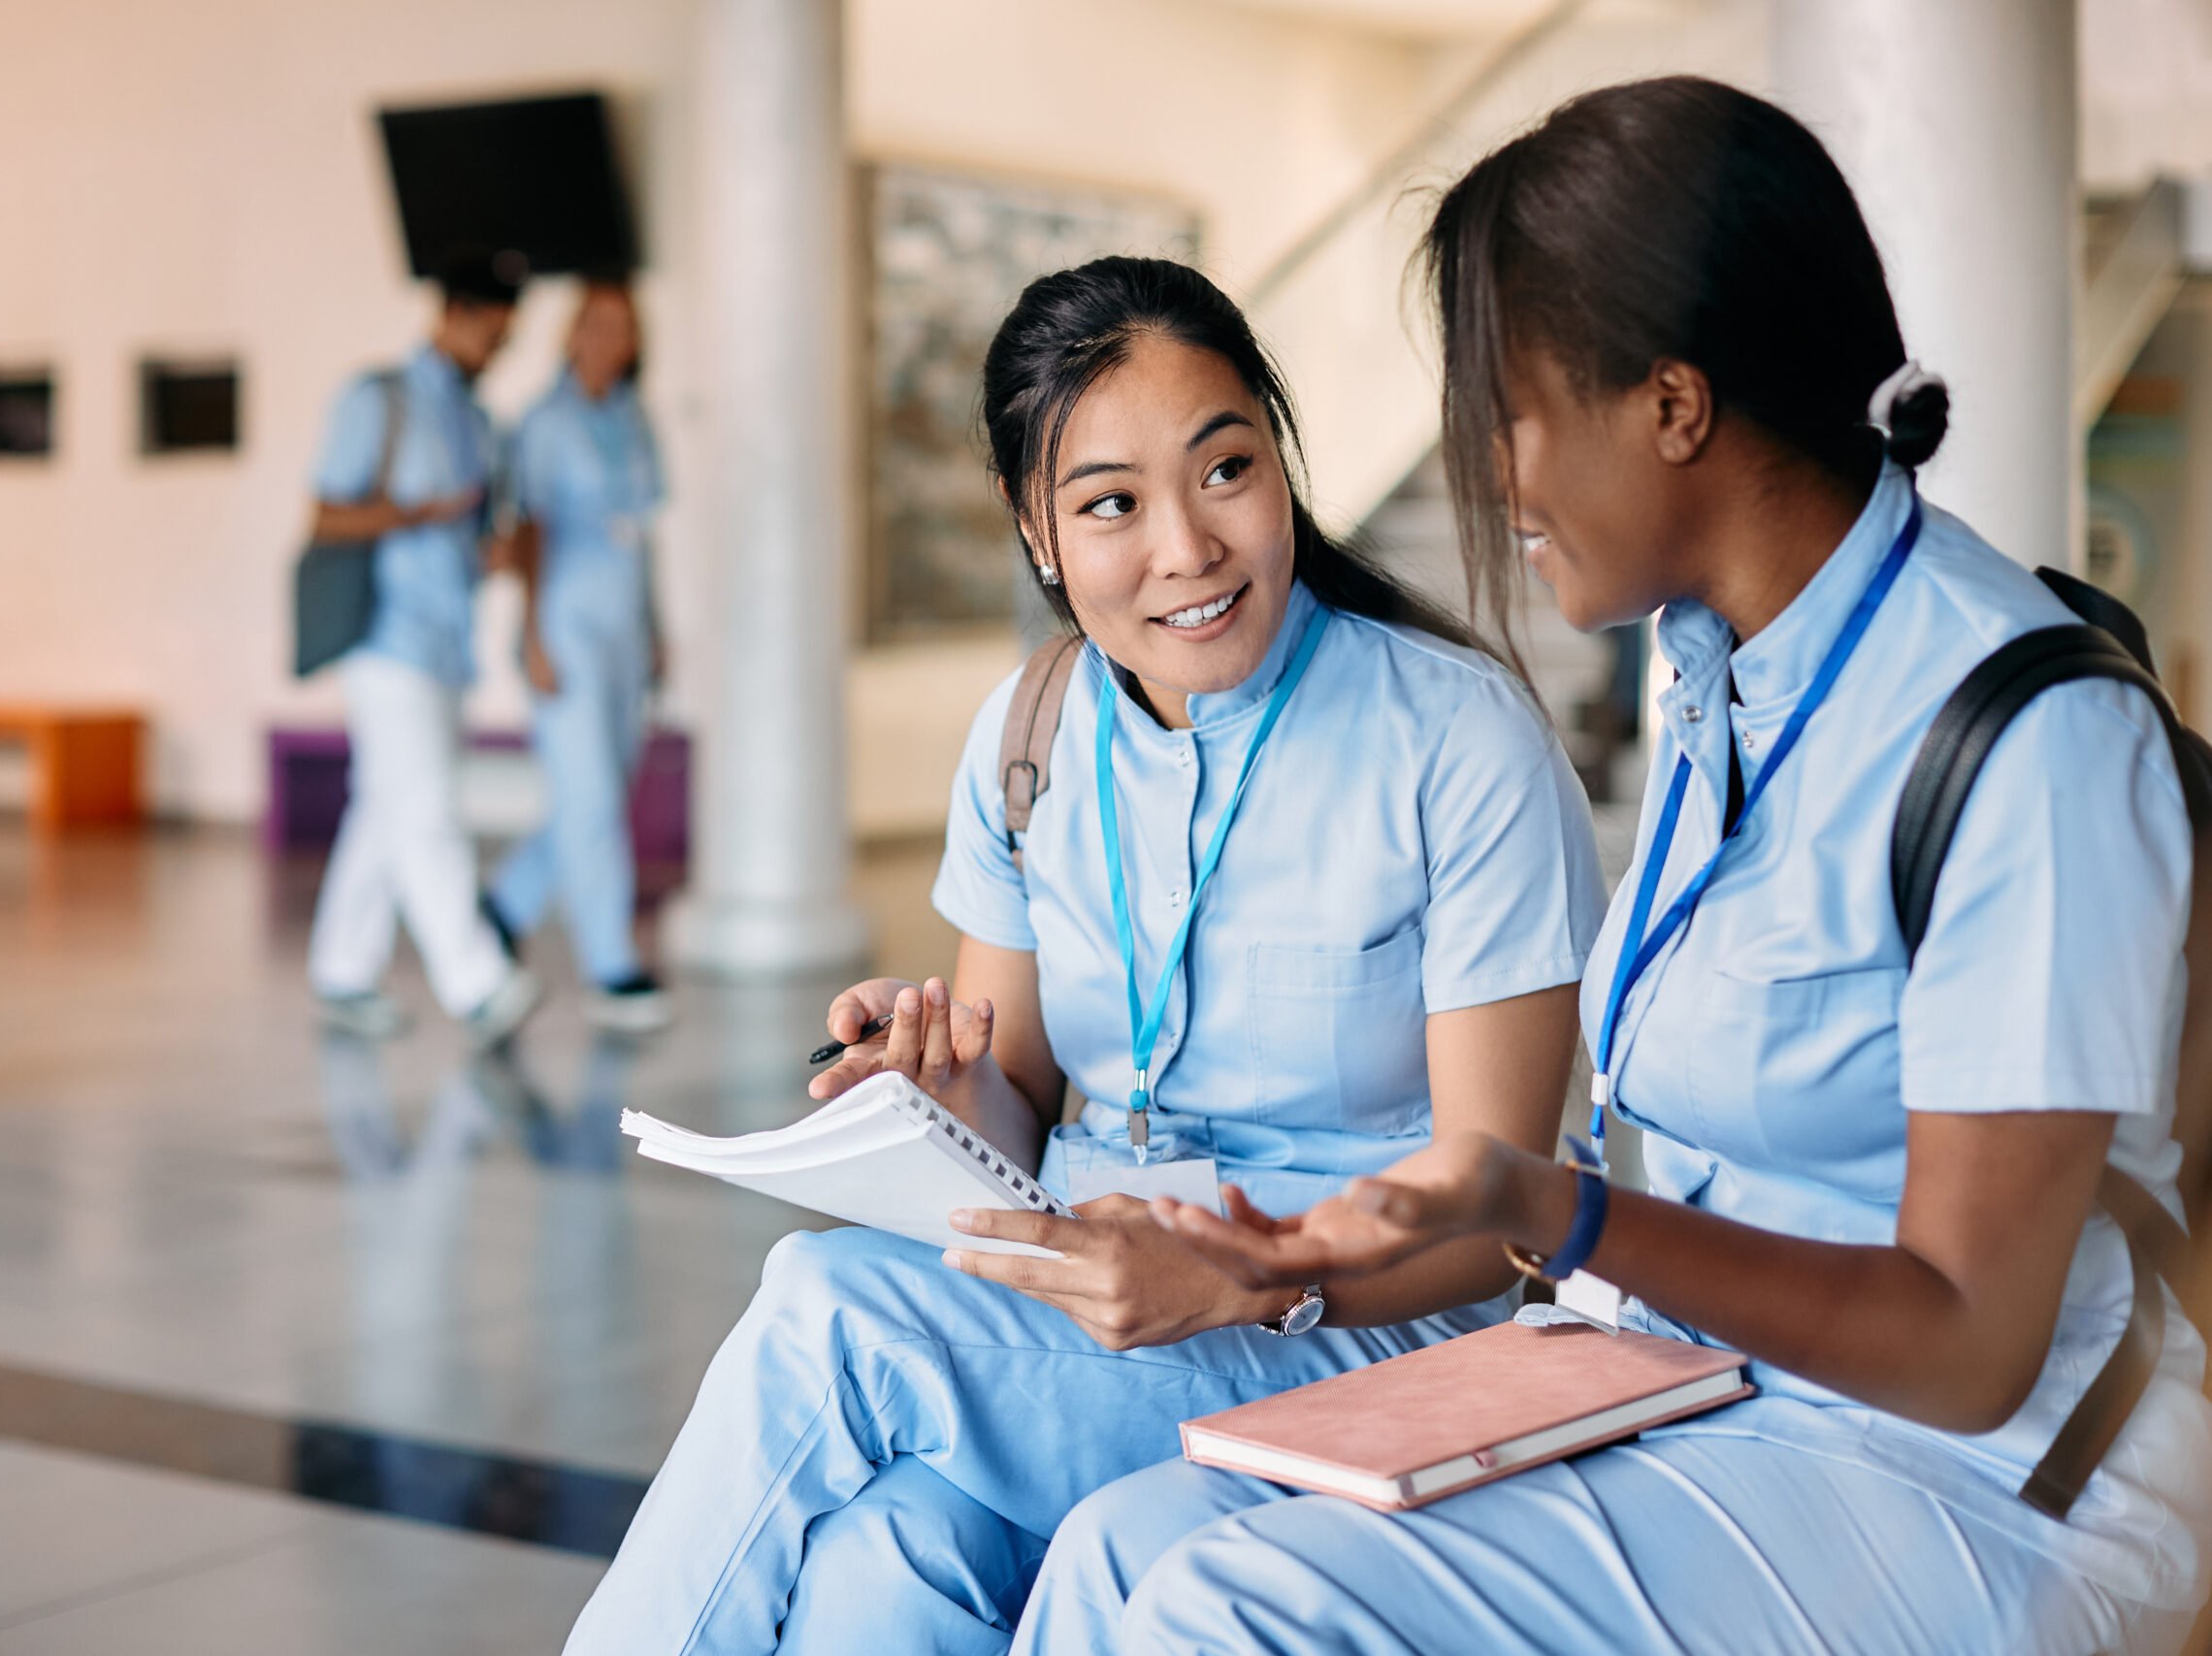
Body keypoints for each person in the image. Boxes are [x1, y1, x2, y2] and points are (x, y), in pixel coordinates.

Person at [1018, 77, 2212, 1656]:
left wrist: (1560, 1213)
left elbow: (1973, 1346)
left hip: (1984, 1475)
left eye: (1503, 410)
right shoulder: (1716, 674)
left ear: (1671, 405)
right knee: (1124, 1545)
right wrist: (1286, 1268)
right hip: (1704, 1382)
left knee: (1234, 1608)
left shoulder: (2029, 731)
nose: (1488, 477)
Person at [562, 255, 1607, 1655]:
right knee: (885, 1563)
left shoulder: (1457, 743)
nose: (1186, 545)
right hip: (1076, 1315)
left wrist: (1254, 1276)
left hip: (1353, 1324)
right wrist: (938, 1090)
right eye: (1112, 503)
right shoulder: (1029, 734)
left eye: (1225, 469)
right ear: (1038, 532)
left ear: (1279, 460)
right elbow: (1020, 1101)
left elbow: (1500, 1224)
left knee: (832, 1313)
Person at [306, 249, 543, 1047]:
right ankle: (478, 983)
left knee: (386, 806)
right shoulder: (378, 400)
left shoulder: (480, 424)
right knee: (428, 807)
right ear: (452, 314)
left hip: (447, 645)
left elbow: (472, 542)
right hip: (383, 636)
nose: (497, 352)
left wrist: (498, 552)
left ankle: (342, 969)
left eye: (509, 340)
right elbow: (326, 516)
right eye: (492, 334)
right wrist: (420, 514)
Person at [485, 280, 671, 1031]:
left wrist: (657, 627)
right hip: (562, 628)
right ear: (572, 334)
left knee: (600, 790)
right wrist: (530, 636)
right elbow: (526, 530)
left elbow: (643, 533)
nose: (606, 337)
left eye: (620, 326)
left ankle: (500, 907)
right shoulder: (544, 423)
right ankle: (611, 964)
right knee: (590, 797)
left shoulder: (635, 420)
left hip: (624, 630)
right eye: (594, 324)